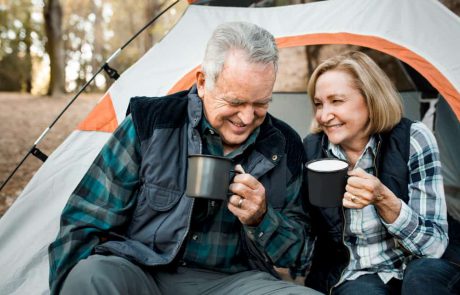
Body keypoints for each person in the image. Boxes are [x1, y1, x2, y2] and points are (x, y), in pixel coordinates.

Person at [48, 22, 321, 295]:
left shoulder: (284, 145)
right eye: (235, 102)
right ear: (203, 83)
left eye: (261, 104)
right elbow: (84, 220)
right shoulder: (152, 124)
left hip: (235, 283)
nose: (247, 118)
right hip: (143, 271)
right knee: (91, 276)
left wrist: (262, 218)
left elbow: (300, 255)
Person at [301, 51, 459, 294]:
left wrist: (385, 200)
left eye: (337, 101)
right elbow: (303, 242)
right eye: (318, 104)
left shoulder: (413, 138)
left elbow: (434, 247)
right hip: (353, 270)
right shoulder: (311, 151)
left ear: (370, 98)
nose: (324, 115)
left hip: (419, 261)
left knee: (421, 281)